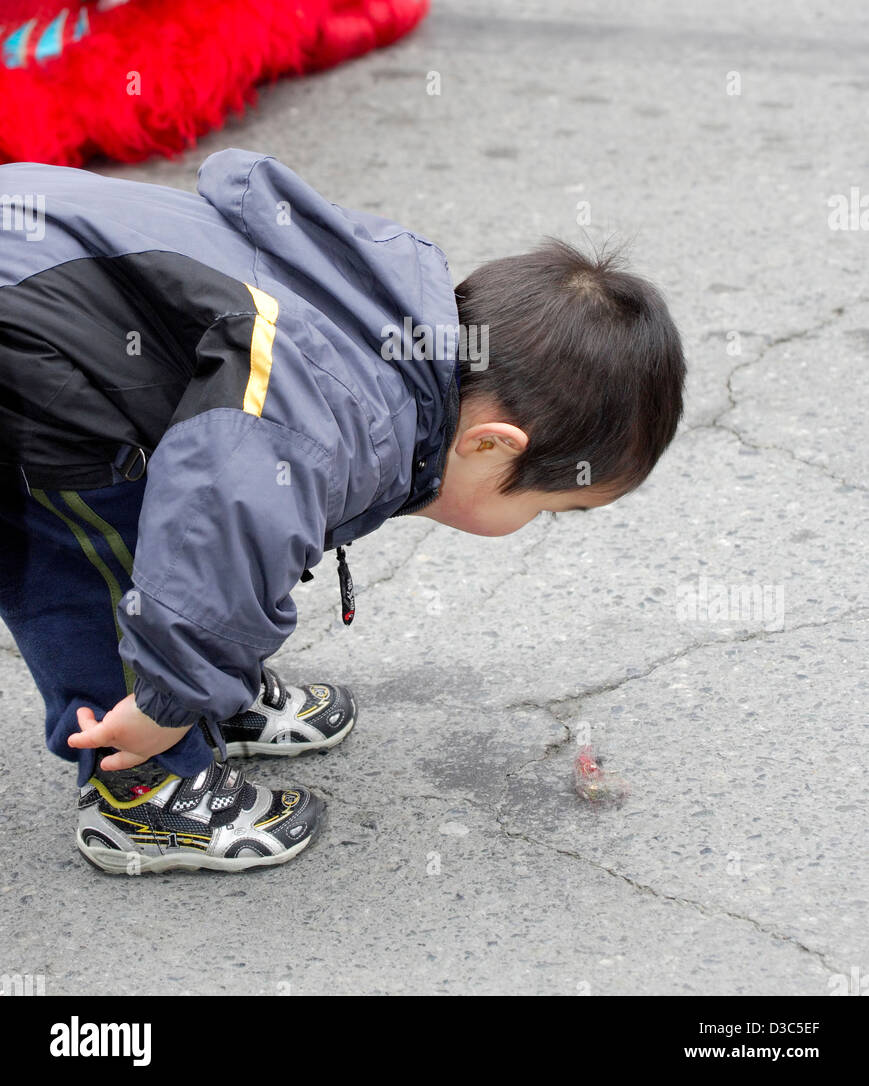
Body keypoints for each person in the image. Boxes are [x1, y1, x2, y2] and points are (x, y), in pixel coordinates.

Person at [0, 149, 685, 873]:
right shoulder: (333, 416)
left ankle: (200, 691)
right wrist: (167, 697)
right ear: (490, 447)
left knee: (174, 521)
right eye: (549, 506)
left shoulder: (384, 323)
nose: (535, 523)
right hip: (25, 345)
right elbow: (223, 527)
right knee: (91, 552)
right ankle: (145, 795)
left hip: (34, 268)